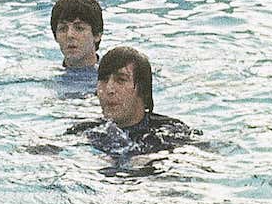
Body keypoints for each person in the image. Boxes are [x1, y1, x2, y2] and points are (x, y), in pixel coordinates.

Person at [67, 46, 199, 158]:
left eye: (121, 80)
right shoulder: (84, 132)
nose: (109, 89)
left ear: (142, 90)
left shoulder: (172, 133)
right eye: (104, 80)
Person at [50, 0, 103, 71]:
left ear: (97, 35)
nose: (69, 35)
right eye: (63, 29)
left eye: (79, 28)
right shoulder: (45, 76)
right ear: (56, 37)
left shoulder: (114, 76)